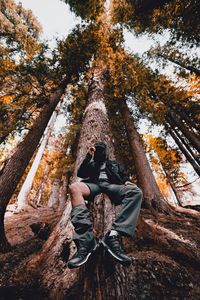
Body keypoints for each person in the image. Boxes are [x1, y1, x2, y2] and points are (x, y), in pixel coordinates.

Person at [67, 141, 143, 269]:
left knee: (136, 192)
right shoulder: (92, 163)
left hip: (112, 186)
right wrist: (88, 157)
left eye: (101, 149)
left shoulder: (113, 164)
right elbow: (81, 173)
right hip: (94, 186)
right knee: (75, 187)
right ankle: (86, 240)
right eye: (97, 149)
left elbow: (124, 176)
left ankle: (113, 234)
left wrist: (127, 182)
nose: (99, 151)